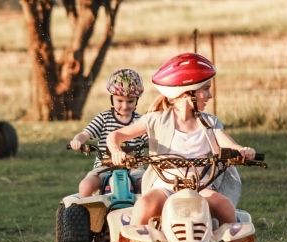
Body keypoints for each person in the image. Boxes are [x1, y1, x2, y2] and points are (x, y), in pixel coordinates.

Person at [106, 53, 256, 226]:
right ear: (187, 93)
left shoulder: (209, 123)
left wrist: (242, 151)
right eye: (205, 89)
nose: (210, 95)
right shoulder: (155, 120)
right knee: (144, 205)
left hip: (201, 187)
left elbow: (230, 145)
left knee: (225, 207)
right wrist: (116, 151)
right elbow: (115, 136)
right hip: (165, 187)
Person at [70, 68, 147, 198]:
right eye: (120, 101)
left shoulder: (140, 121)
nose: (124, 106)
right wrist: (77, 140)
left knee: (148, 185)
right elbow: (85, 134)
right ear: (112, 99)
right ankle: (89, 215)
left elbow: (151, 138)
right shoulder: (104, 118)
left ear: (137, 100)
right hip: (104, 166)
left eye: (130, 101)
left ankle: (149, 216)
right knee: (86, 185)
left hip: (135, 168)